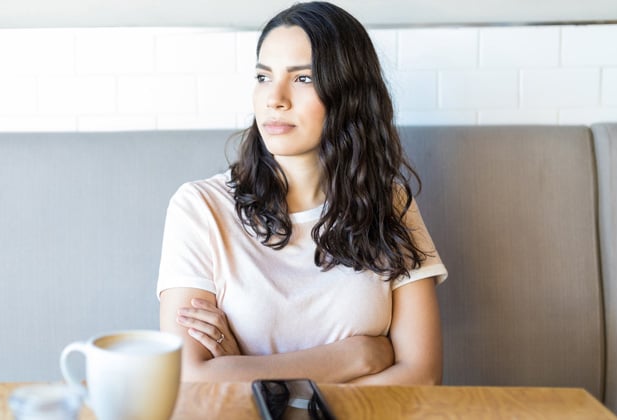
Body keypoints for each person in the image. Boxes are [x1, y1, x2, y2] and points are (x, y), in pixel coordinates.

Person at [157, 1, 448, 385]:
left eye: (303, 78)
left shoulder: (388, 203)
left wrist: (244, 371)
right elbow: (189, 378)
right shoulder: (200, 208)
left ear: (347, 93)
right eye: (263, 76)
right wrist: (356, 356)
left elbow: (422, 375)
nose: (274, 98)